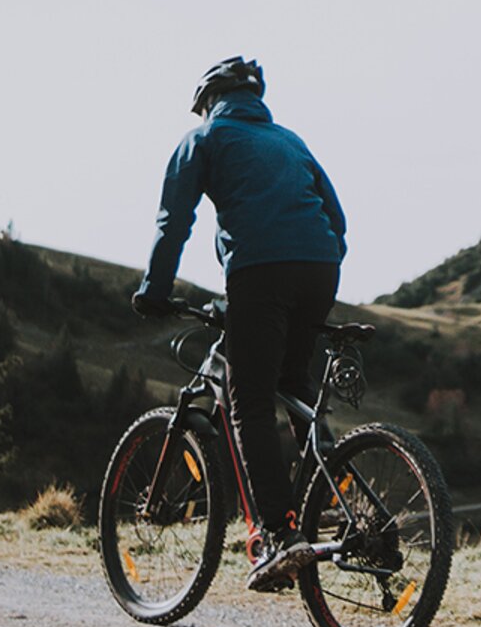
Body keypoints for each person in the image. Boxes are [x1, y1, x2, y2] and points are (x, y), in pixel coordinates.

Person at [132, 57, 347, 593]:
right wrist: (312, 269)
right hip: (321, 269)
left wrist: (155, 292)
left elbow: (173, 219)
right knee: (292, 386)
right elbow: (337, 221)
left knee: (247, 397)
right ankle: (342, 505)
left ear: (210, 100)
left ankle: (279, 535)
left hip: (261, 272)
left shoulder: (204, 138)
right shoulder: (290, 141)